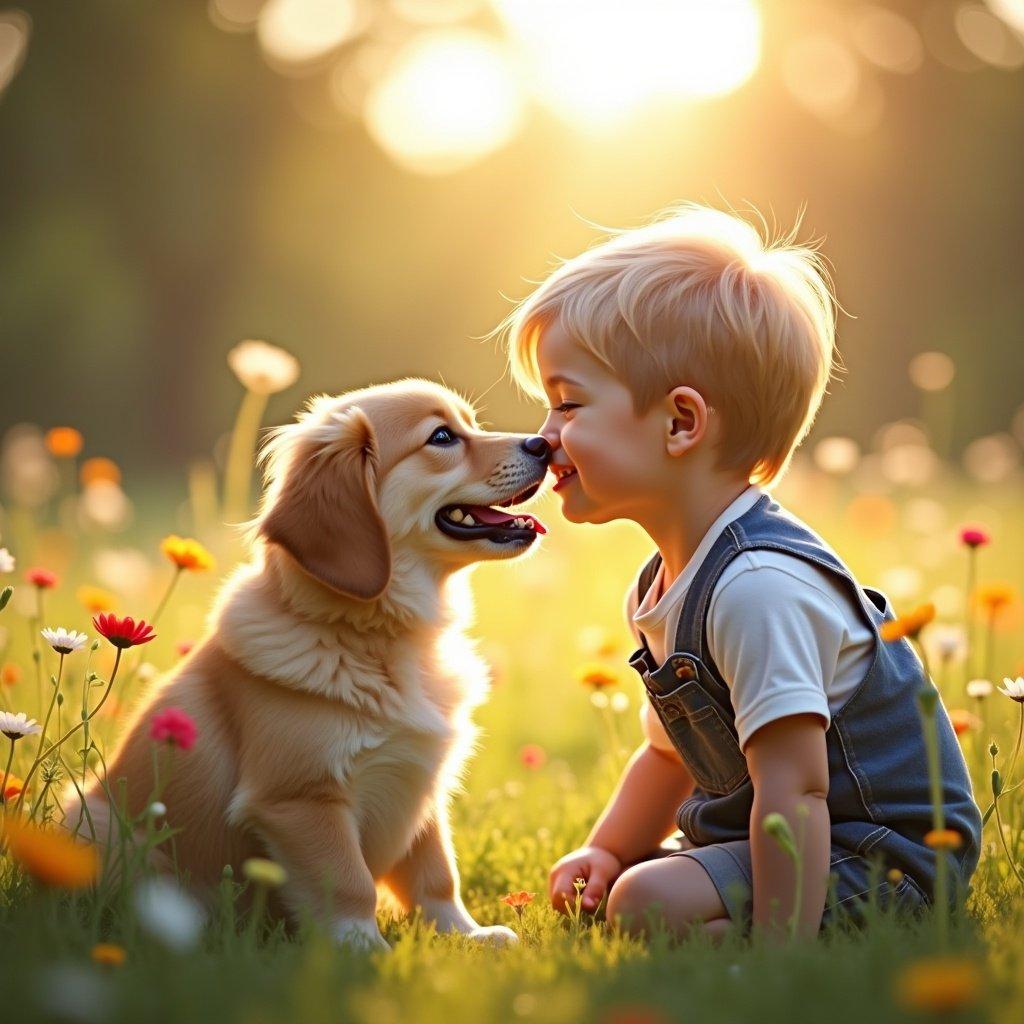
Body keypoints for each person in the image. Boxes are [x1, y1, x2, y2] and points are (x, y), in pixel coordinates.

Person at [497, 203, 982, 940]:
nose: (545, 438)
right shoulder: (665, 580)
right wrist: (607, 847)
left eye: (567, 404)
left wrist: (777, 952)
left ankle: (780, 937)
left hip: (881, 860)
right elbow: (668, 755)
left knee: (642, 902)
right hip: (791, 843)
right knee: (632, 886)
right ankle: (730, 928)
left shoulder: (758, 588)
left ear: (681, 423)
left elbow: (798, 790)